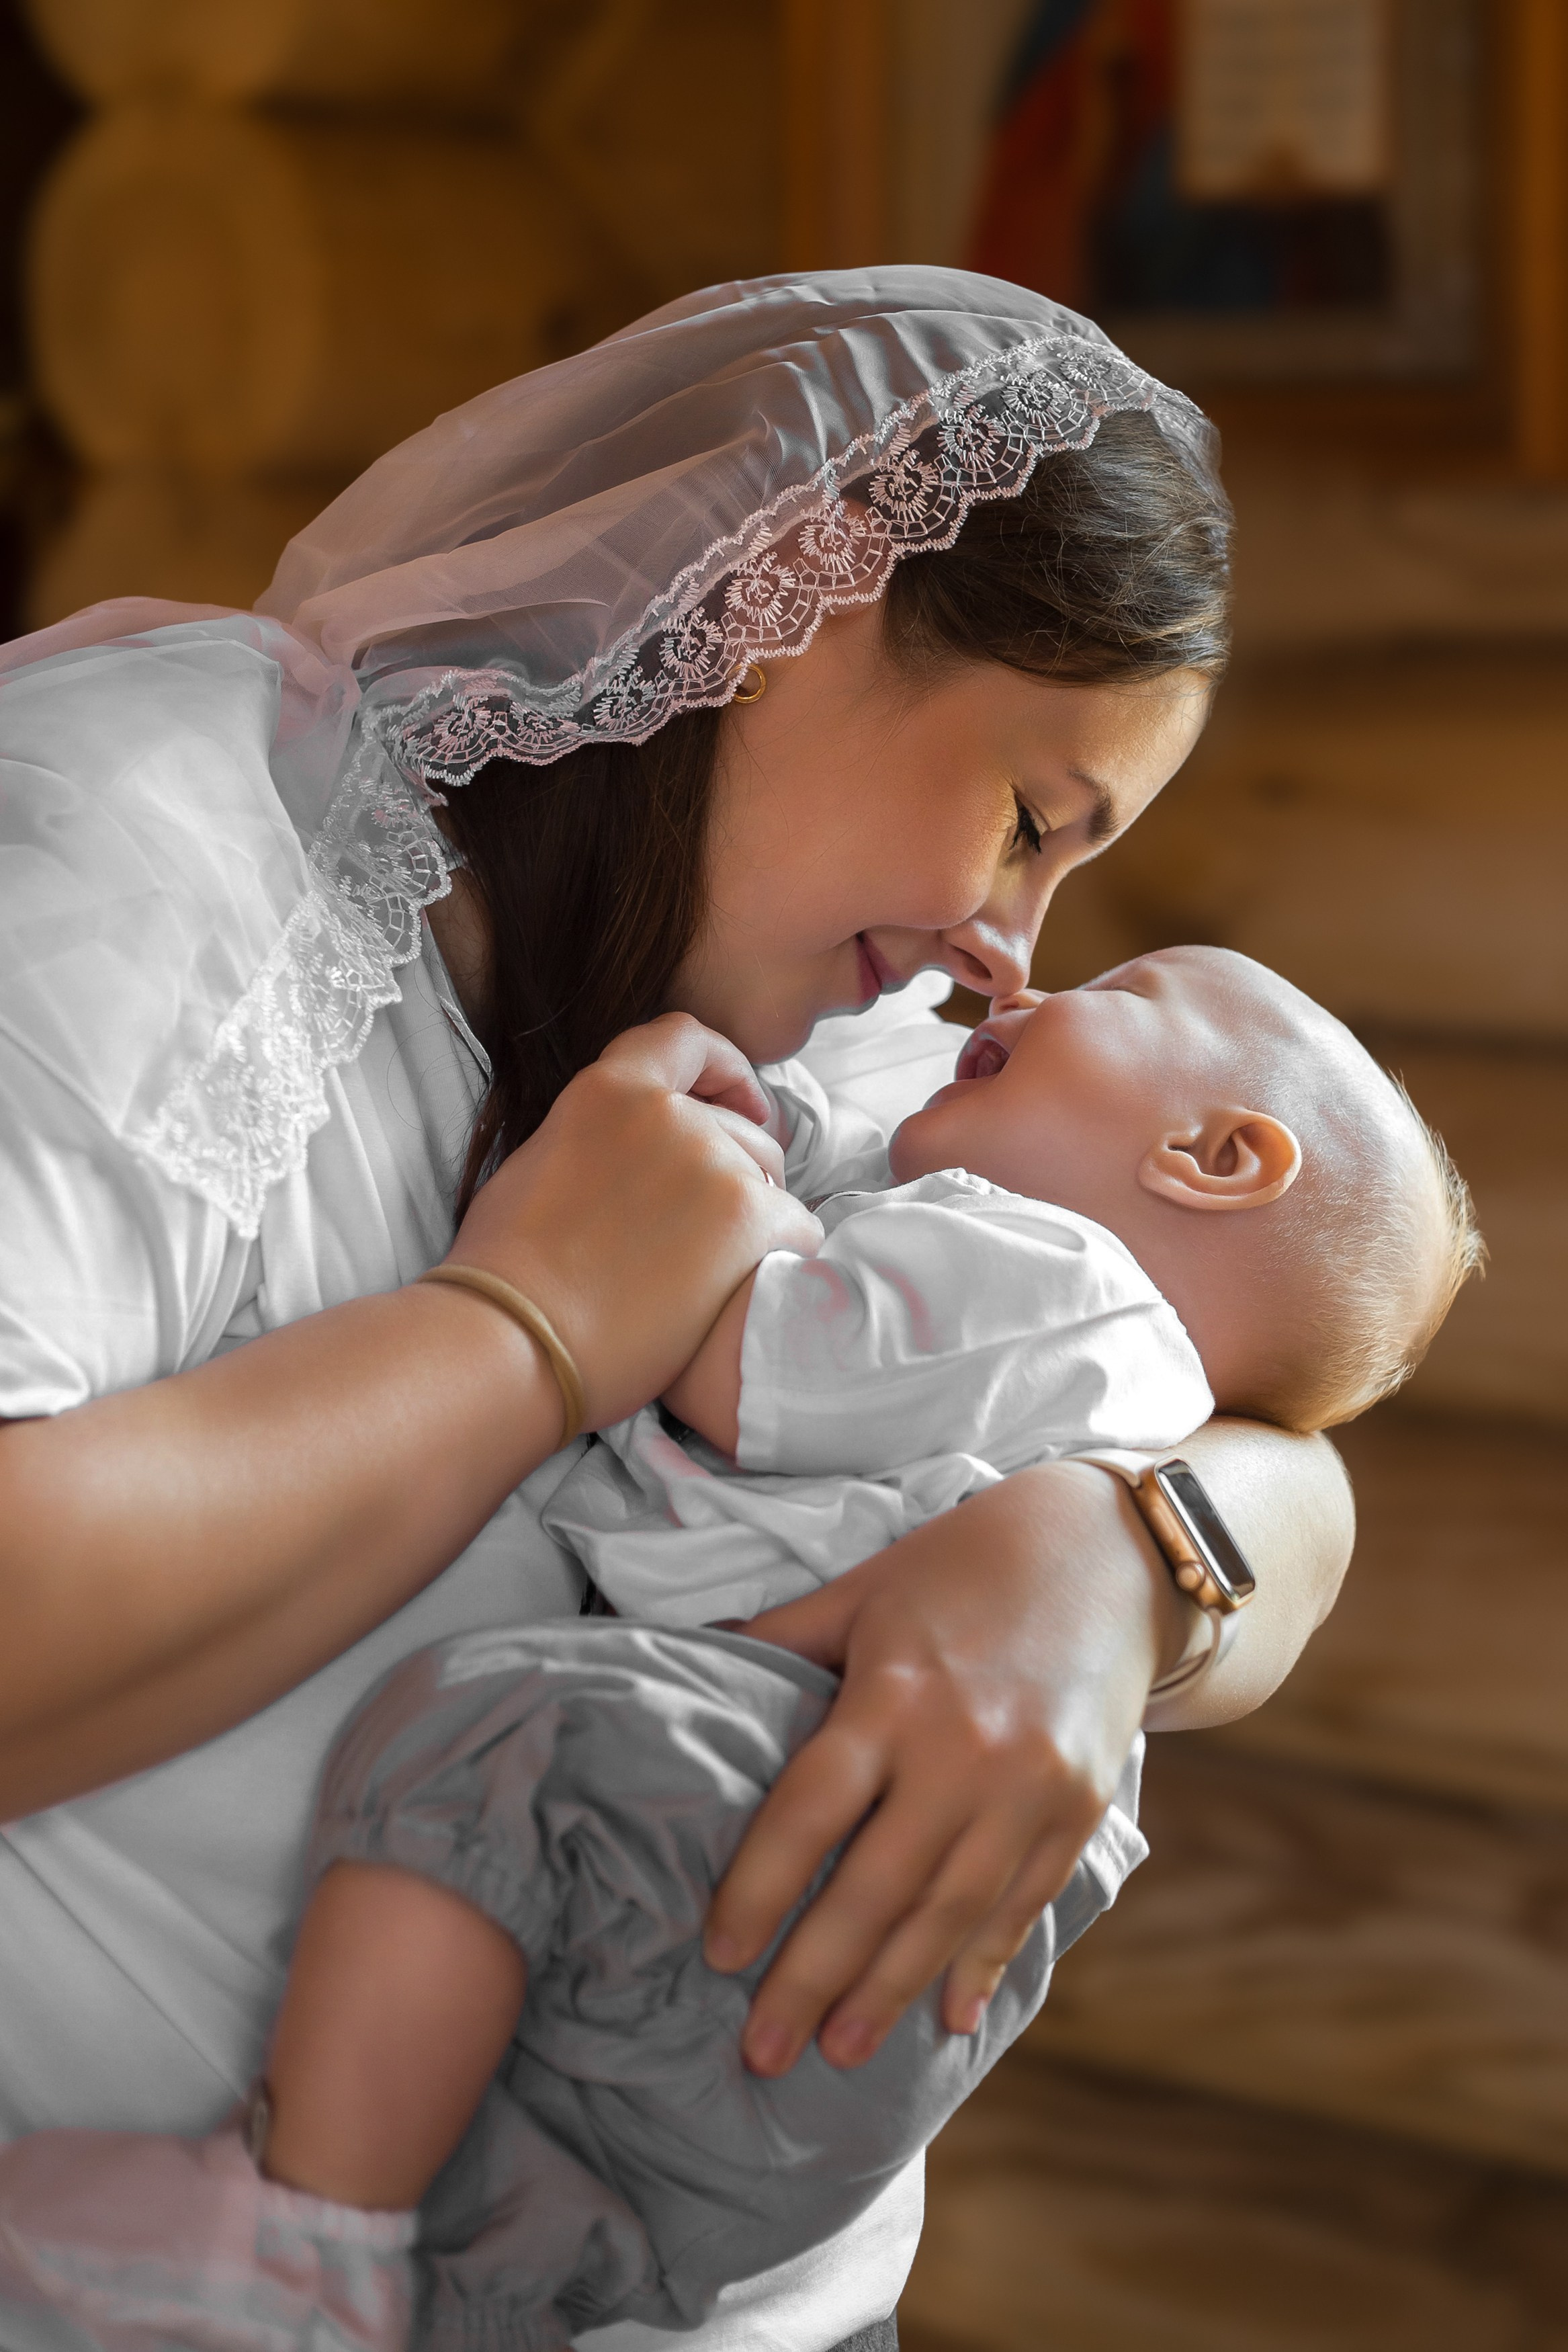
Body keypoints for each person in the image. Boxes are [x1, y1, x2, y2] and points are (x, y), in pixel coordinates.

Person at [0, 272, 1356, 2352]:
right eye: (1028, 823)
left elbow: (1267, 1427)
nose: (1009, 959)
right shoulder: (129, 848)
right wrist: (525, 1323)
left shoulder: (842, 1042)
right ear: (801, 589)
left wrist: (1110, 1560)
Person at [0, 944, 1479, 2352]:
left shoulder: (1051, 1278)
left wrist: (653, 1211)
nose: (1020, 966)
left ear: (1215, 1157)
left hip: (791, 1746)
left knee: (480, 1755)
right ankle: (367, 2253)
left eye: (1116, 987)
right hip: (804, 1790)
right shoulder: (1001, 1238)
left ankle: (301, 2224)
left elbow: (743, 1357)